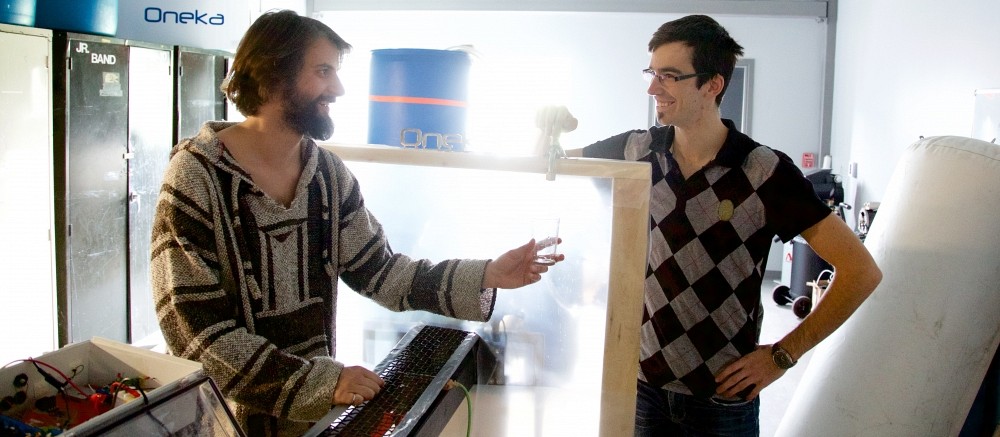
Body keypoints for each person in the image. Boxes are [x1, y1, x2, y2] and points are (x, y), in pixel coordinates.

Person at [150, 10, 562, 436]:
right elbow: (195, 332)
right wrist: (322, 381)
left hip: (305, 421)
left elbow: (383, 274)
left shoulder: (328, 175)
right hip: (220, 422)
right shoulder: (194, 178)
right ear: (274, 74)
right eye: (323, 71)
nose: (339, 88)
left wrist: (486, 273)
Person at [536, 14, 882, 436]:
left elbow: (862, 272)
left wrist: (782, 355)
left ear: (712, 85)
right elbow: (547, 167)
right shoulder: (635, 152)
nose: (652, 88)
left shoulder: (765, 172)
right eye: (651, 72)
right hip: (643, 390)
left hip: (721, 402)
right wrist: (548, 130)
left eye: (669, 76)